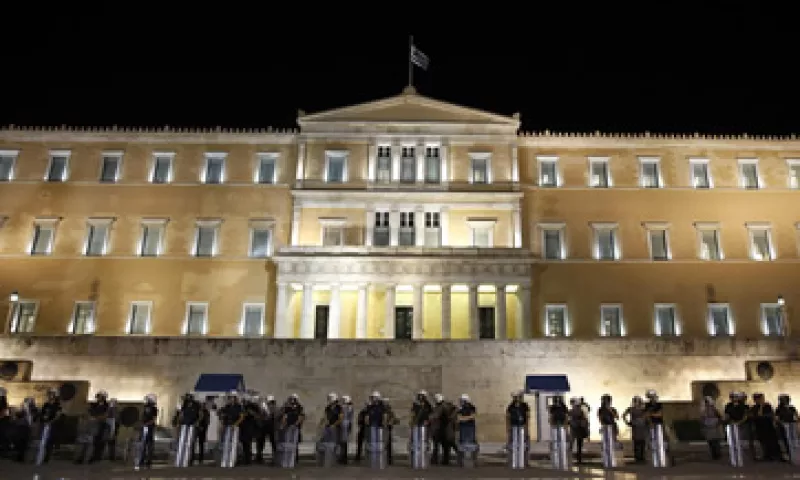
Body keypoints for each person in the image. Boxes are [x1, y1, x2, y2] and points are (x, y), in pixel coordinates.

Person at [76, 390, 111, 464]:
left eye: (101, 396)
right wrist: (88, 417)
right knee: (85, 442)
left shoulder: (106, 406)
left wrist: (96, 418)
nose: (99, 398)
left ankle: (93, 458)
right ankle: (81, 457)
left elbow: (106, 415)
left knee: (96, 443)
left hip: (100, 425)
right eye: (98, 396)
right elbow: (88, 412)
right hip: (90, 425)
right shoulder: (93, 405)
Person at [751, 393, 782, 461]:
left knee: (772, 441)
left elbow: (770, 415)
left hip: (768, 427)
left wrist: (762, 414)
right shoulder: (754, 408)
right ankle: (767, 455)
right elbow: (756, 416)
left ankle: (776, 455)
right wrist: (761, 408)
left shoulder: (767, 406)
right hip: (760, 427)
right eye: (757, 399)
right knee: (763, 442)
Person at [37, 389, 63, 464]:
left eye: (51, 394)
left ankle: (46, 457)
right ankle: (40, 457)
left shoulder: (57, 405)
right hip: (44, 424)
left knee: (49, 442)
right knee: (42, 442)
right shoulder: (46, 404)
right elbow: (42, 413)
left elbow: (57, 416)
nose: (49, 396)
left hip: (51, 426)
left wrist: (49, 422)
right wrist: (42, 419)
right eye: (49, 394)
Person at [431, 393, 456, 465]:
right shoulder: (447, 406)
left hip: (442, 428)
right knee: (445, 445)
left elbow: (436, 415)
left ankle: (437, 460)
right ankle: (445, 460)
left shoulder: (441, 406)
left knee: (440, 445)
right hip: (445, 428)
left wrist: (430, 418)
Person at [280, 393, 305, 464]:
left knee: (294, 443)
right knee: (288, 442)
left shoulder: (299, 407)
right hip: (288, 427)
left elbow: (301, 417)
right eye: (291, 399)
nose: (292, 400)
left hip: (295, 427)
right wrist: (283, 425)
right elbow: (285, 417)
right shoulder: (287, 408)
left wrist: (295, 425)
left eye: (293, 399)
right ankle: (287, 458)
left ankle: (294, 458)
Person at [623, 396, 648, 463]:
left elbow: (647, 416)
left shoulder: (643, 409)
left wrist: (646, 421)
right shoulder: (631, 409)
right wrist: (628, 422)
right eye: (635, 401)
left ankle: (642, 457)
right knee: (636, 442)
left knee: (642, 442)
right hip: (636, 427)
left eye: (637, 401)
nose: (636, 402)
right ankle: (637, 457)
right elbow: (624, 415)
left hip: (642, 427)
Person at [137, 393, 158, 469]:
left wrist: (146, 424)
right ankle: (142, 460)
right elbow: (142, 417)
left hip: (149, 428)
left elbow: (153, 419)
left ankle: (148, 461)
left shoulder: (154, 408)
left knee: (148, 445)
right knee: (143, 444)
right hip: (144, 427)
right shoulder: (145, 407)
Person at [256, 394, 277, 465]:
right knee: (261, 442)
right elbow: (261, 416)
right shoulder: (264, 407)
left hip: (271, 426)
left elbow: (274, 416)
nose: (271, 404)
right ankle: (259, 456)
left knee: (273, 442)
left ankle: (274, 458)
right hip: (264, 426)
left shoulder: (274, 408)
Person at [776, 394, 798, 460]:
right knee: (788, 440)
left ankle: (796, 454)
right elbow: (777, 418)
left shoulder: (791, 407)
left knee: (794, 439)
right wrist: (781, 423)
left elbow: (796, 414)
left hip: (792, 424)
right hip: (785, 424)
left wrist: (796, 420)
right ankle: (791, 455)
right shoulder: (779, 408)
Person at [568, 397, 588, 464]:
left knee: (573, 444)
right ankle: (578, 459)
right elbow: (584, 419)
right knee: (578, 444)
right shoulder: (580, 410)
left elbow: (569, 420)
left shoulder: (572, 411)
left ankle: (571, 458)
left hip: (575, 429)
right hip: (578, 429)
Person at [339, 395, 354, 464]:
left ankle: (343, 457)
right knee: (342, 442)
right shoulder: (347, 407)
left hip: (345, 425)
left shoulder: (347, 407)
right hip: (344, 425)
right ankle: (342, 456)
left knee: (344, 442)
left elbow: (348, 417)